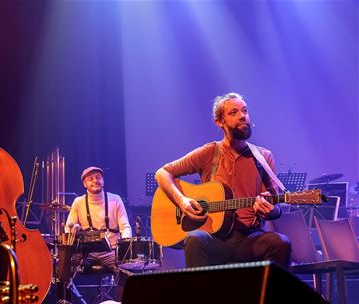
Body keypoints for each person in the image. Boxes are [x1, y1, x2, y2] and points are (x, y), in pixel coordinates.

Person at [154, 92, 291, 269]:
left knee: (281, 243)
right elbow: (162, 173)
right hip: (214, 239)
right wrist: (182, 201)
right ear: (220, 122)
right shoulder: (210, 152)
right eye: (233, 112)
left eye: (245, 110)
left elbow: (276, 204)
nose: (242, 116)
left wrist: (271, 211)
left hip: (249, 239)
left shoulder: (263, 157)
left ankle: (268, 297)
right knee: (195, 238)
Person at [65, 167, 132, 270]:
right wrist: (73, 233)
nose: (95, 180)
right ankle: (68, 286)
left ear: (103, 181)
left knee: (127, 266)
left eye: (98, 177)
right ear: (84, 184)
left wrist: (124, 247)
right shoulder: (78, 202)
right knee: (65, 264)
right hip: (86, 253)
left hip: (111, 252)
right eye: (90, 179)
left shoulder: (115, 199)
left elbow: (125, 227)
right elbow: (68, 228)